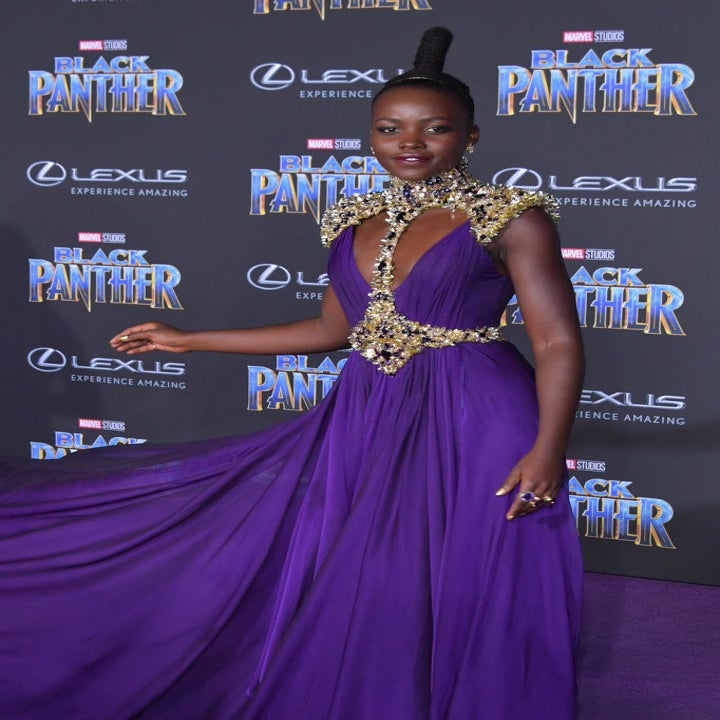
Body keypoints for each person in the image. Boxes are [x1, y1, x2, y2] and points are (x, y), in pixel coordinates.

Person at [0, 27, 583, 720]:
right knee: (380, 569)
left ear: (471, 136)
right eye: (389, 128)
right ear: (371, 135)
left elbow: (555, 341)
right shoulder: (354, 220)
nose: (410, 142)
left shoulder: (512, 218)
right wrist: (190, 340)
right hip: (370, 405)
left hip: (476, 410)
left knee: (477, 566)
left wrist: (548, 447)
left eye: (435, 128)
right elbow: (330, 331)